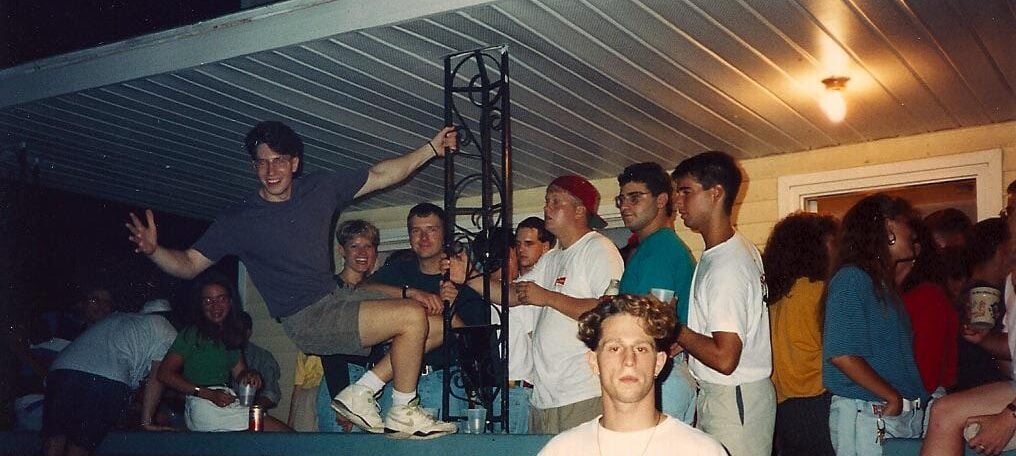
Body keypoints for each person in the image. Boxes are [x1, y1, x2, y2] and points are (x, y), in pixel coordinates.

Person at [127, 120, 458, 439]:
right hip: (306, 317)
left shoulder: (319, 189)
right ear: (254, 167)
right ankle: (402, 411)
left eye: (279, 162)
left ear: (295, 163)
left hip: (335, 298)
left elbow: (380, 174)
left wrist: (430, 148)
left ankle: (363, 390)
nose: (271, 172)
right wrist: (155, 250)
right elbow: (188, 264)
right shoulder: (239, 219)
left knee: (439, 323)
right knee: (412, 316)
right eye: (262, 163)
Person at [454, 175, 625, 434]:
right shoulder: (552, 258)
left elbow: (610, 311)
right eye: (547, 201)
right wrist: (469, 275)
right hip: (544, 398)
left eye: (556, 201)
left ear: (580, 210)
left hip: (581, 392)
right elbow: (512, 296)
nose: (547, 208)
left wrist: (546, 297)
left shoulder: (598, 248)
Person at [671, 151, 774, 456]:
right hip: (732, 397)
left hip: (734, 397)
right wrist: (686, 339)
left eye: (686, 192)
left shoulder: (726, 265)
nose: (678, 202)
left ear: (716, 193)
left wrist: (675, 329)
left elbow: (725, 358)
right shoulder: (728, 251)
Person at [538, 294, 726, 455]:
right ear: (594, 362)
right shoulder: (562, 450)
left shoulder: (701, 450)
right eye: (615, 348)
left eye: (641, 348)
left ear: (658, 363)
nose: (629, 360)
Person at [361, 203, 486, 424]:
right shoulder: (399, 270)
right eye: (416, 231)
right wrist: (409, 293)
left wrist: (452, 307)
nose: (424, 238)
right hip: (395, 382)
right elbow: (361, 288)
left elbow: (476, 345)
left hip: (441, 382)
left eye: (431, 229)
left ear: (444, 234)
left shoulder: (461, 277)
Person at [822, 194, 927, 455]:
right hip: (871, 412)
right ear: (887, 226)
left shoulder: (880, 286)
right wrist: (891, 396)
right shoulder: (851, 279)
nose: (911, 232)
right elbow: (843, 354)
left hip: (889, 413)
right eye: (906, 223)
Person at [921, 187, 1016, 456]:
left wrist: (1009, 417)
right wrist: (985, 339)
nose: (1006, 219)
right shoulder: (1010, 282)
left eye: (1010, 211)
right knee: (944, 410)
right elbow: (1011, 349)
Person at [613, 162, 697, 424]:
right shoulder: (653, 248)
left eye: (635, 197)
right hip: (665, 373)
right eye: (622, 199)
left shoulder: (660, 250)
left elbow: (650, 325)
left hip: (661, 377)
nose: (625, 206)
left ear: (662, 200)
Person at [40, 298, 177, 456]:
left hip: (61, 370)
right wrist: (147, 421)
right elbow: (157, 377)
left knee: (54, 441)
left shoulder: (118, 318)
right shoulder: (167, 329)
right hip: (105, 379)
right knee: (79, 446)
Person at [157, 276, 289, 432]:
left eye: (221, 299)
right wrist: (207, 394)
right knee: (285, 434)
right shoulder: (192, 334)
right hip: (204, 407)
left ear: (231, 302)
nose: (215, 306)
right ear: (201, 305)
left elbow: (240, 373)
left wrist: (251, 375)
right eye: (208, 301)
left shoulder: (229, 335)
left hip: (225, 402)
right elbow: (164, 374)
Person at [763, 211, 838, 456]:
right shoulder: (818, 291)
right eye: (831, 243)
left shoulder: (774, 295)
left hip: (781, 408)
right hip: (817, 403)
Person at [316, 219, 387, 433]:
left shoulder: (378, 291)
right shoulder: (331, 289)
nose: (362, 252)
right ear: (342, 251)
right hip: (341, 379)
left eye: (368, 246)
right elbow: (330, 349)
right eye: (354, 246)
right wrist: (340, 400)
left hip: (372, 384)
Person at [237, 311, 281, 410]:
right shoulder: (218, 354)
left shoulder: (263, 358)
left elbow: (271, 394)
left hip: (250, 415)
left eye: (237, 330)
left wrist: (248, 410)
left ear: (248, 333)